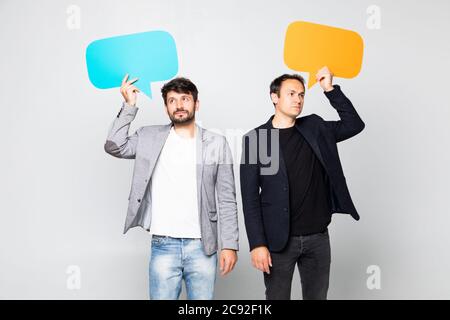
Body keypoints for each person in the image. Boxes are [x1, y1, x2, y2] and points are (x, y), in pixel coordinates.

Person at [104, 75, 239, 300]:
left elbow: (227, 198)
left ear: (196, 104)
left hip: (202, 246)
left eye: (185, 99)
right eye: (172, 100)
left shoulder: (216, 143)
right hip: (163, 244)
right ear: (166, 107)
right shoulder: (148, 136)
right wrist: (129, 105)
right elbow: (114, 146)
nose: (179, 105)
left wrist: (230, 245)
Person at [240, 66, 365, 300]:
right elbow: (249, 199)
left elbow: (354, 124)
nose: (298, 99)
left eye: (301, 94)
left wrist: (329, 89)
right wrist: (257, 244)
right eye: (291, 94)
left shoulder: (315, 127)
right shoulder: (256, 139)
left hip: (317, 237)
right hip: (278, 242)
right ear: (274, 97)